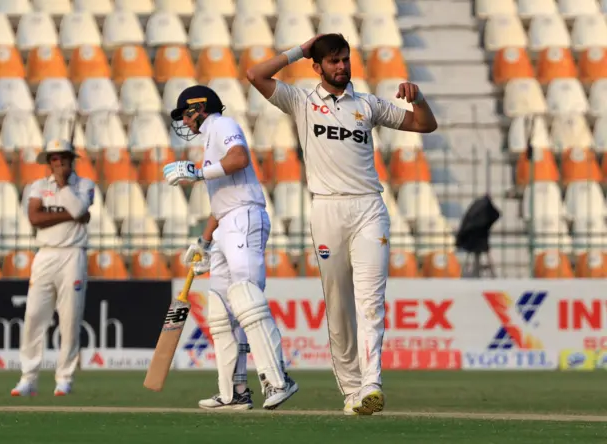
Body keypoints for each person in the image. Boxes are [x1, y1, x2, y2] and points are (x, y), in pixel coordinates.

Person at [247, 33, 438, 415]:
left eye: (345, 59)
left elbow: (424, 126)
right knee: (338, 306)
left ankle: (371, 383)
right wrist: (299, 51)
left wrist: (418, 97)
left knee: (371, 301)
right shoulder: (301, 101)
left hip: (368, 207)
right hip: (327, 210)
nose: (341, 66)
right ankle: (352, 392)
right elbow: (255, 74)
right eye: (332, 61)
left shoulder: (367, 104)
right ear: (317, 67)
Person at [163, 85, 298, 410]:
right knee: (220, 311)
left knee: (245, 296)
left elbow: (239, 158)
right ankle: (235, 392)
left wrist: (197, 172)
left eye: (184, 113)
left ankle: (279, 378)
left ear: (198, 108)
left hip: (244, 218)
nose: (183, 120)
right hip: (227, 222)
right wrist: (204, 241)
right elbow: (221, 202)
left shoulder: (221, 125)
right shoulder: (210, 139)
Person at [11, 139, 95, 397]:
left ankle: (64, 378)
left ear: (71, 160)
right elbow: (35, 218)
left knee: (70, 318)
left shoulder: (85, 185)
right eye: (54, 159)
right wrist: (72, 215)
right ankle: (28, 378)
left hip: (73, 255)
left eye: (63, 158)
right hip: (45, 255)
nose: (58, 163)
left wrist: (63, 188)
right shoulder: (37, 186)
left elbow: (82, 208)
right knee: (34, 317)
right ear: (49, 162)